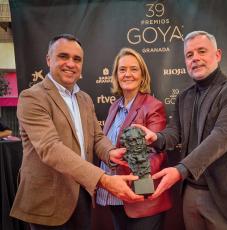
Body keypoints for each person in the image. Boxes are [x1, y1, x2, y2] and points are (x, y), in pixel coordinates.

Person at [135, 31, 227, 230]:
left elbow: (222, 136)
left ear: (217, 55)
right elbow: (175, 133)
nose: (195, 58)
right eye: (189, 55)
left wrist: (180, 170)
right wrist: (155, 136)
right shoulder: (183, 97)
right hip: (191, 193)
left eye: (201, 51)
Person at [10, 34, 144, 230]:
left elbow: (97, 137)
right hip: (48, 200)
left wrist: (110, 152)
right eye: (63, 56)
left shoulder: (85, 99)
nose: (70, 64)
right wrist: (103, 179)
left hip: (82, 193)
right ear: (49, 59)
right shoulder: (32, 97)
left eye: (77, 59)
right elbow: (50, 148)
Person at [96, 48, 172, 230]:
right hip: (116, 197)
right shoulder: (114, 106)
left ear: (142, 75)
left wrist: (134, 181)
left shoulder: (152, 106)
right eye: (122, 70)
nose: (127, 74)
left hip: (140, 199)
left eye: (133, 69)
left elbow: (156, 153)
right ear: (116, 75)